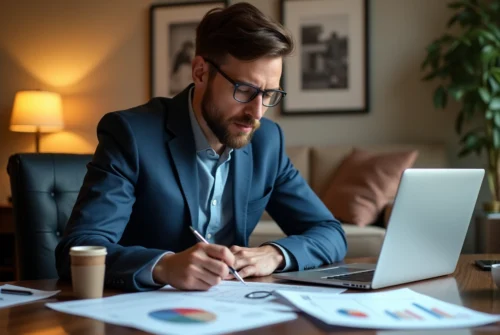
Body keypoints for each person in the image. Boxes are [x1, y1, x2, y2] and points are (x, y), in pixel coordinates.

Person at [55, 2, 347, 292]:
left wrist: (274, 254)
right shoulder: (131, 134)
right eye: (245, 90)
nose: (257, 113)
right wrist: (164, 266)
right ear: (200, 72)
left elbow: (330, 232)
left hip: (233, 311)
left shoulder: (267, 141)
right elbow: (79, 249)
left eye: (269, 94)